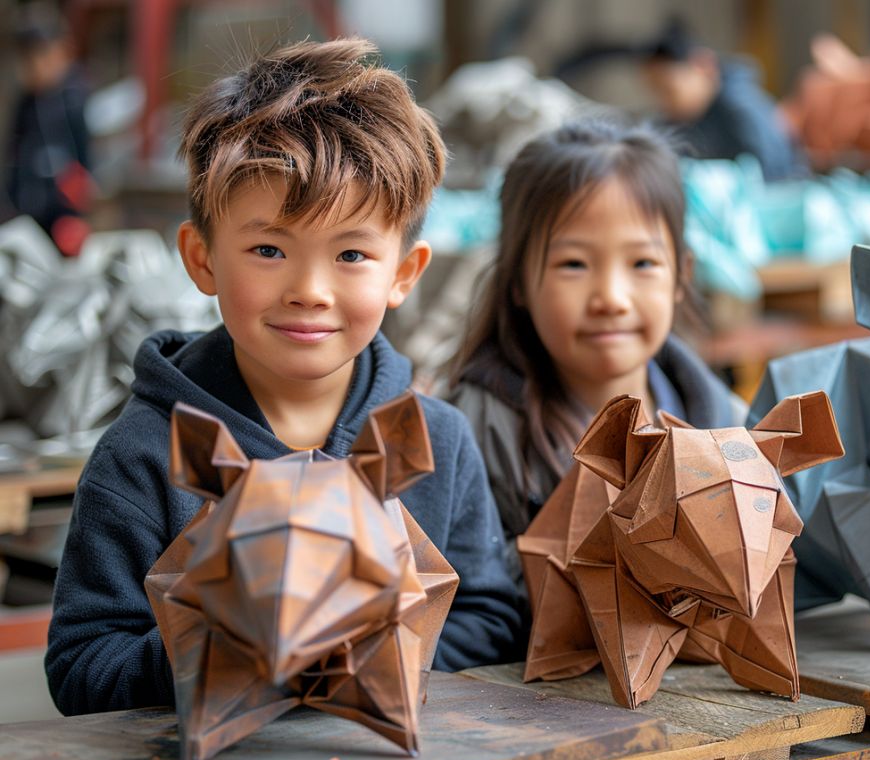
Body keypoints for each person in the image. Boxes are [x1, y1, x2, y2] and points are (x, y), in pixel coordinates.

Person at [45, 38, 524, 715]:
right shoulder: (144, 459)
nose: (309, 290)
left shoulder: (434, 442)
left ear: (405, 275)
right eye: (268, 249)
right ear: (202, 258)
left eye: (352, 253)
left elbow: (491, 620)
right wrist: (227, 644)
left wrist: (362, 658)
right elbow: (81, 668)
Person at [446, 120, 744, 593]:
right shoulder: (478, 431)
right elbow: (476, 590)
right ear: (519, 281)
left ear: (681, 276)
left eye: (642, 263)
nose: (611, 297)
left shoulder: (727, 425)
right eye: (574, 265)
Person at [640, 20, 802, 182]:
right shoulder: (677, 119)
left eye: (669, 91)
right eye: (655, 92)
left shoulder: (741, 107)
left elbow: (776, 174)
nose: (663, 103)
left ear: (703, 65)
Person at [5, 3, 92, 254]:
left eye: (41, 57)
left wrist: (77, 212)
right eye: (27, 60)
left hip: (62, 217)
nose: (34, 68)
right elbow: (15, 156)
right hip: (26, 211)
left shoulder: (72, 100)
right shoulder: (26, 104)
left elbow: (83, 160)